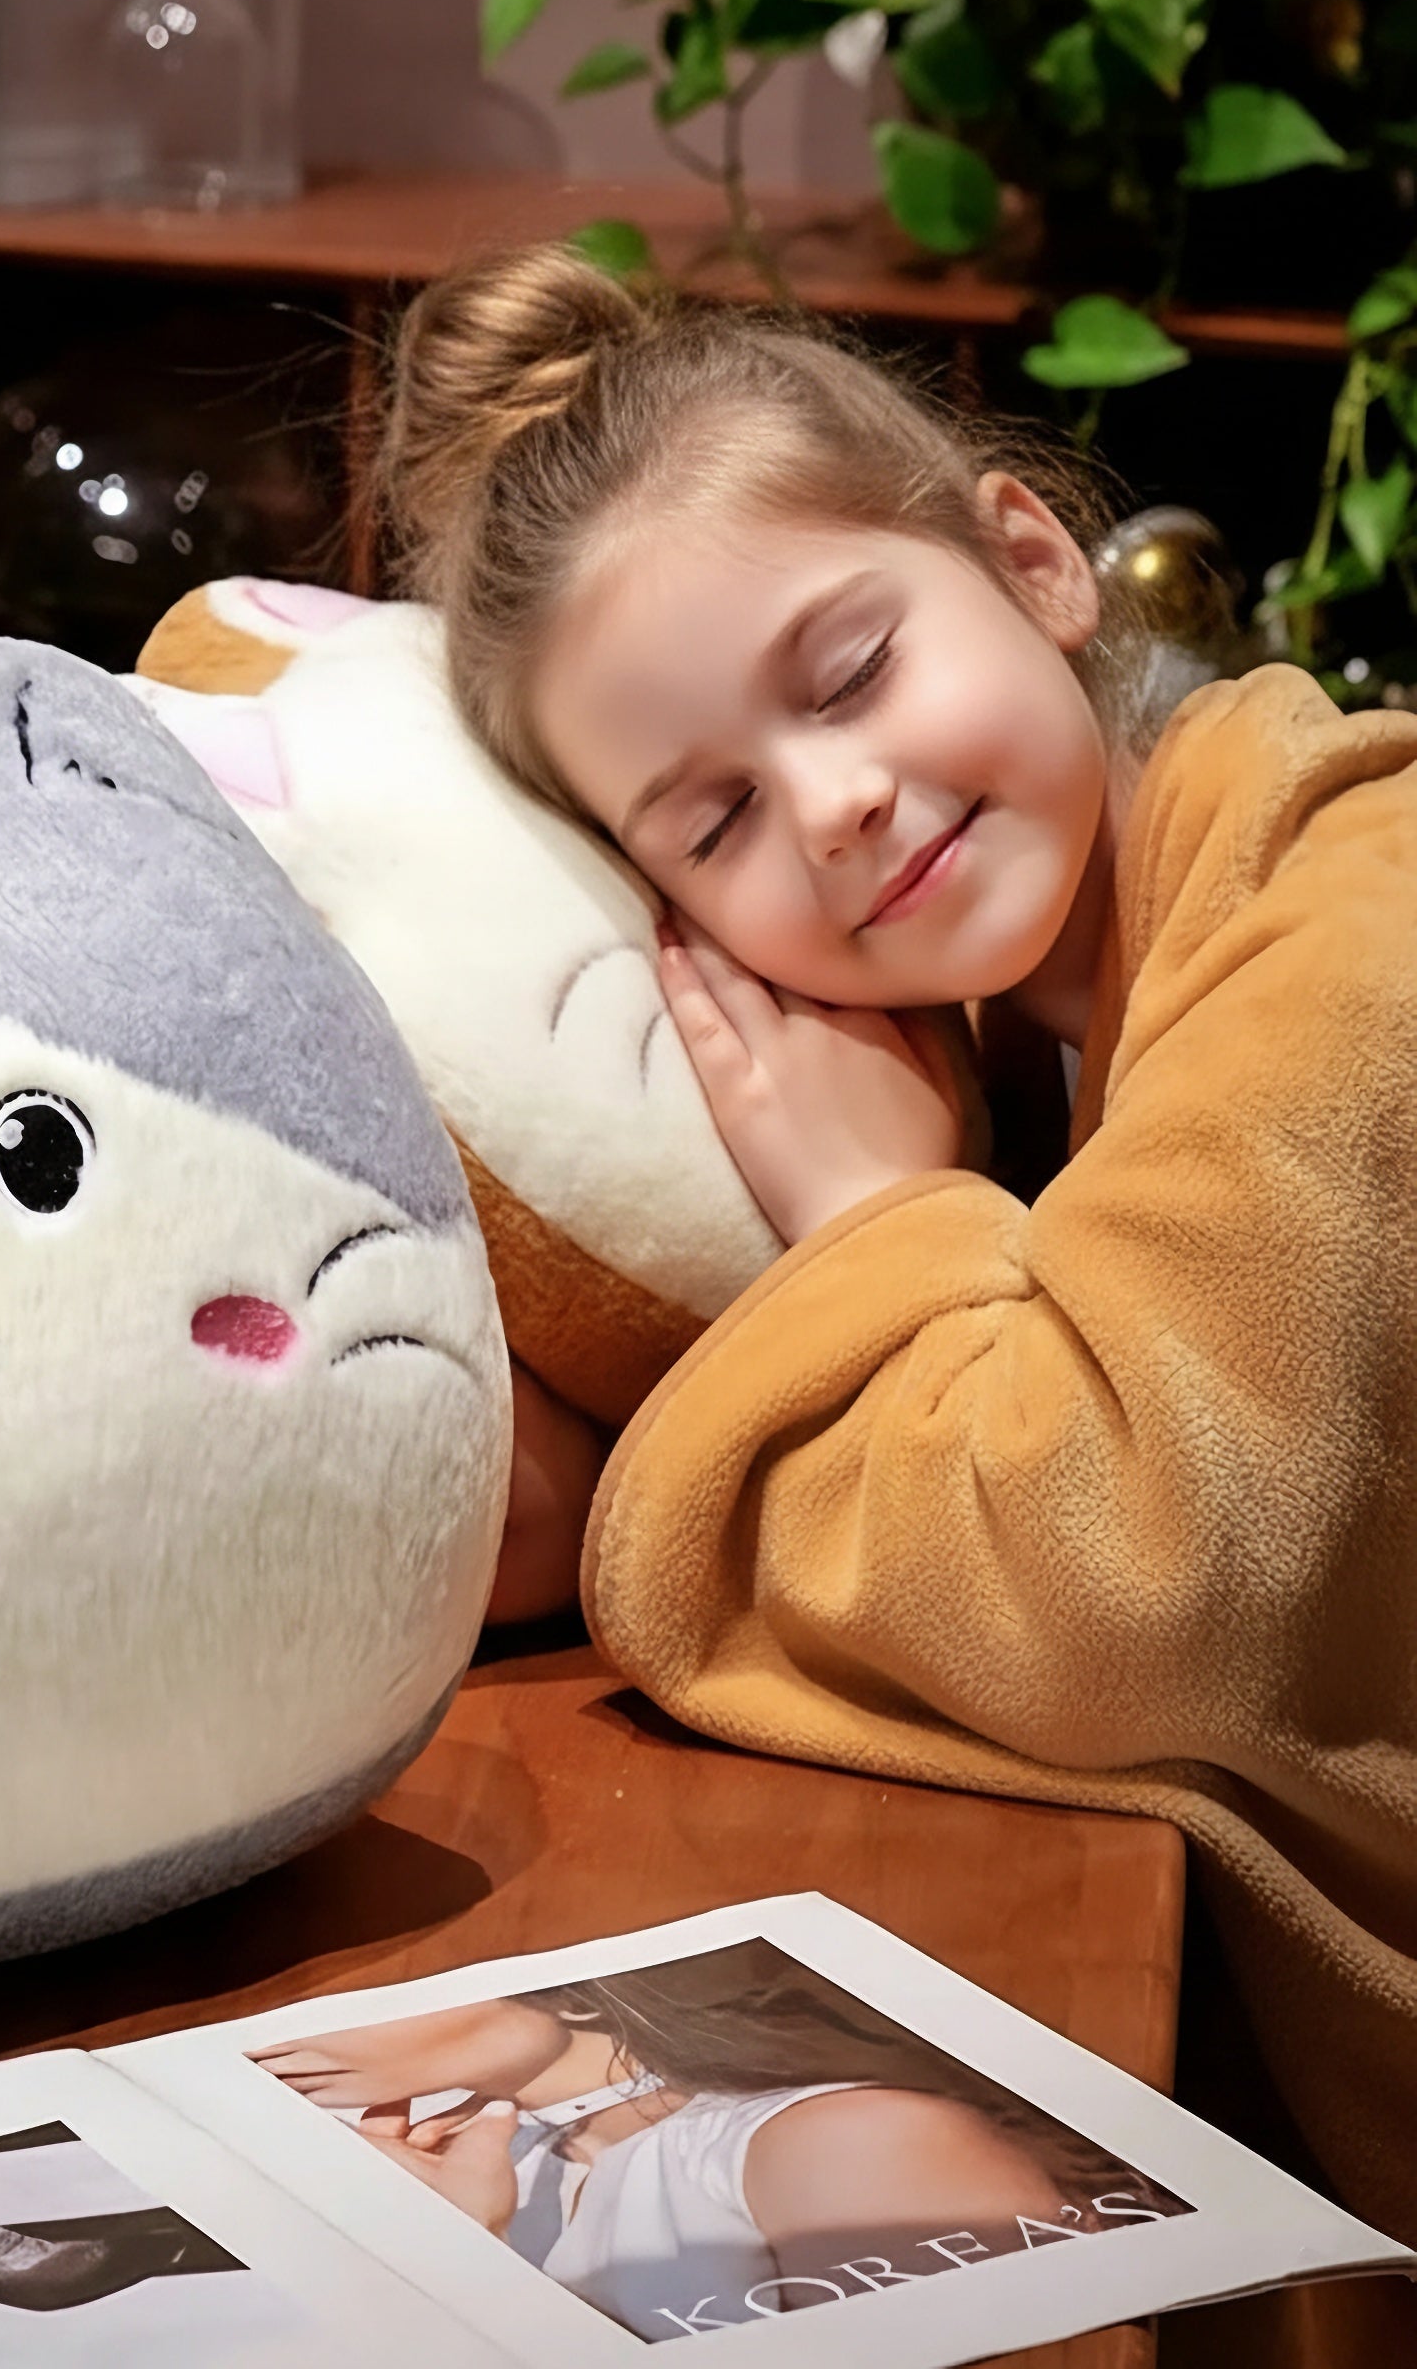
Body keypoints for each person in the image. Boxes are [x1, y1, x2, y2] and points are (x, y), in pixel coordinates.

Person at [373, 242, 1417, 2273]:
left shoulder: (1345, 913)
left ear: (1029, 559)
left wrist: (872, 1222)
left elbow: (1121, 1575)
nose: (834, 803)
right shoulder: (1057, 1054)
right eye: (710, 821)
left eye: (845, 672)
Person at [247, 1949, 1158, 2336]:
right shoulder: (493, 2175)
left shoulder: (844, 2141)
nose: (265, 2041)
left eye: (348, 1994)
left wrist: (455, 2278)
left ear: (569, 1992)